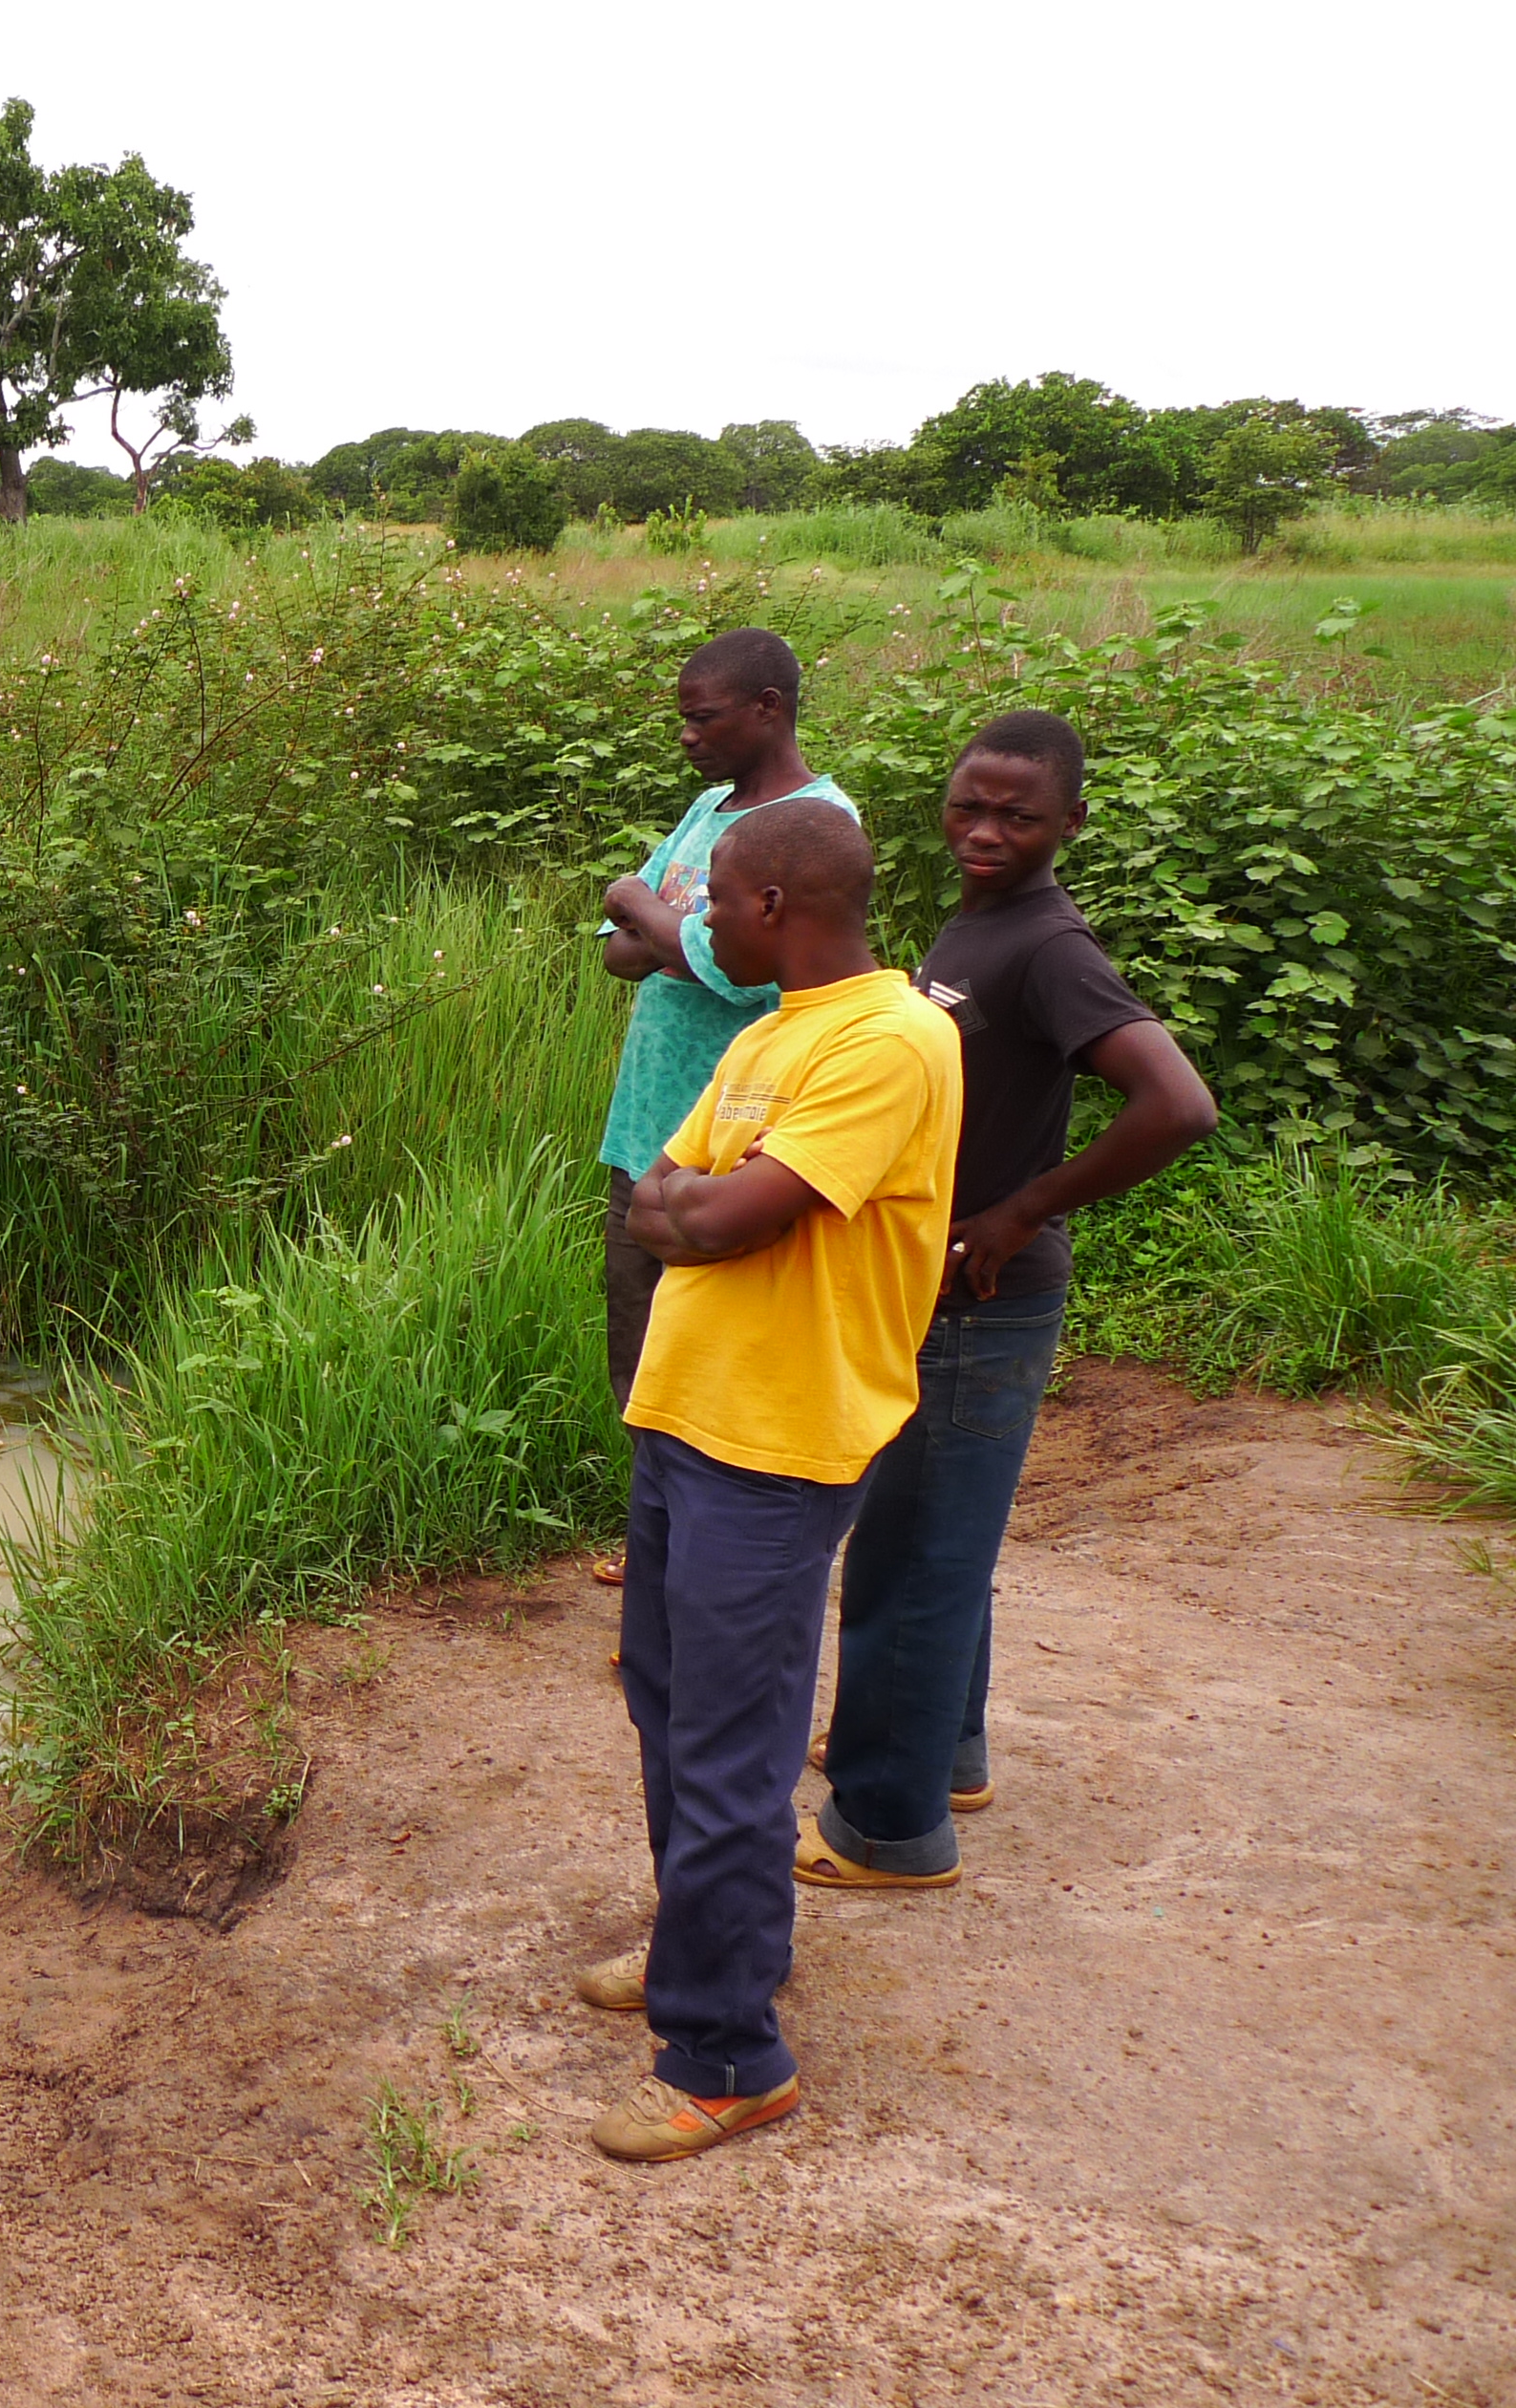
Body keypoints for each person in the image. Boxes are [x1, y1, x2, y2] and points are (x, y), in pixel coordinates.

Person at [571, 797, 961, 2164]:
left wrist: (706, 1208)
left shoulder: (891, 1041)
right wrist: (703, 1208)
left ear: (779, 908)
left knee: (735, 1750)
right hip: (687, 1415)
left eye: (716, 903)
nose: (702, 925)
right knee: (672, 1712)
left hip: (777, 1439)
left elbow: (720, 1216)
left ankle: (728, 2054)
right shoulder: (766, 1034)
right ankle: (707, 1944)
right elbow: (662, 1200)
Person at [797, 712, 1217, 1889]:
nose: (983, 832)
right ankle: (945, 1758)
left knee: (912, 1558)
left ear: (1069, 826)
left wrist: (1023, 1207)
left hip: (981, 1300)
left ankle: (886, 1828)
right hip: (934, 1288)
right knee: (934, 1544)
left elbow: (1176, 1106)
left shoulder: (1045, 947)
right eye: (967, 807)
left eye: (1016, 817)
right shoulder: (977, 923)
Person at [589, 630, 863, 1602]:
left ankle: (709, 1575)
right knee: (644, 1361)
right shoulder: (708, 808)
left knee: (717, 1368)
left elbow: (715, 962)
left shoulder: (817, 822)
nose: (686, 736)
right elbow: (622, 946)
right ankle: (654, 1566)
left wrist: (644, 907)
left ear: (765, 706)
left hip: (740, 1142)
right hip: (644, 1132)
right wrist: (660, 929)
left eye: (702, 716)